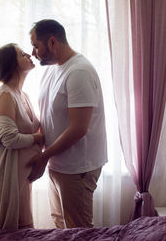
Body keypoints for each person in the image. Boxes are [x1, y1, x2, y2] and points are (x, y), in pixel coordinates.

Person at [27, 19, 108, 228]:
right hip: (57, 163)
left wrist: (44, 156)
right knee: (60, 225)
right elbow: (48, 116)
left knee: (77, 231)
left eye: (36, 46)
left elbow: (79, 129)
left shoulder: (78, 71)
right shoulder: (52, 70)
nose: (33, 53)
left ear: (53, 41)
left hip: (77, 167)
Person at [0, 43, 44, 230]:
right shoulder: (5, 95)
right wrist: (37, 139)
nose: (29, 55)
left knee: (24, 229)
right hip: (5, 173)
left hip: (21, 175)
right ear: (12, 64)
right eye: (21, 54)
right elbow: (10, 139)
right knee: (10, 232)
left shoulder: (23, 95)